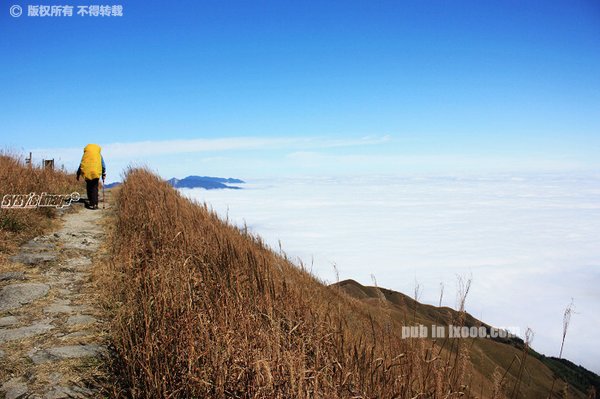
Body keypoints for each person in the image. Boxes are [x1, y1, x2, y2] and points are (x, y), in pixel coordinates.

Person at [76, 144, 106, 210]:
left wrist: (78, 174)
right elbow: (103, 164)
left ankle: (91, 202)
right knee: (95, 187)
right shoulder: (98, 155)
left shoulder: (85, 155)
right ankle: (95, 204)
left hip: (87, 172)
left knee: (89, 187)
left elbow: (81, 164)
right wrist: (103, 173)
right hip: (96, 172)